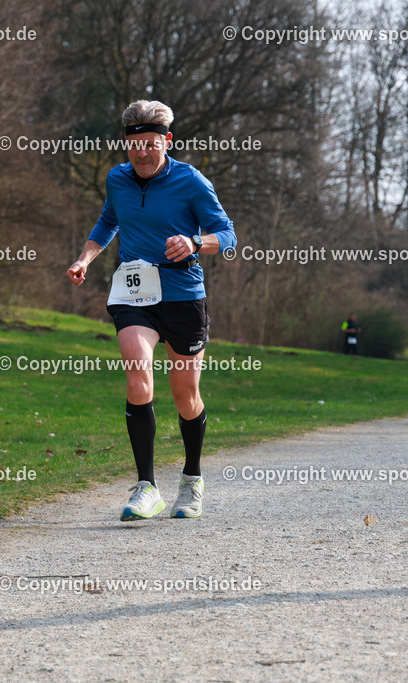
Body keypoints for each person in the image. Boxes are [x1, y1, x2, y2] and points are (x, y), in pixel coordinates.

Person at [66, 99, 236, 521]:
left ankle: (192, 479)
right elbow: (109, 221)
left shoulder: (191, 181)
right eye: (135, 145)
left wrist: (196, 243)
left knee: (186, 397)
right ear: (127, 145)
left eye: (151, 145)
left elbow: (228, 235)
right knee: (138, 377)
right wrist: (85, 259)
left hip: (182, 294)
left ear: (167, 142)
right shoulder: (117, 179)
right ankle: (146, 486)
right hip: (134, 292)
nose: (142, 153)